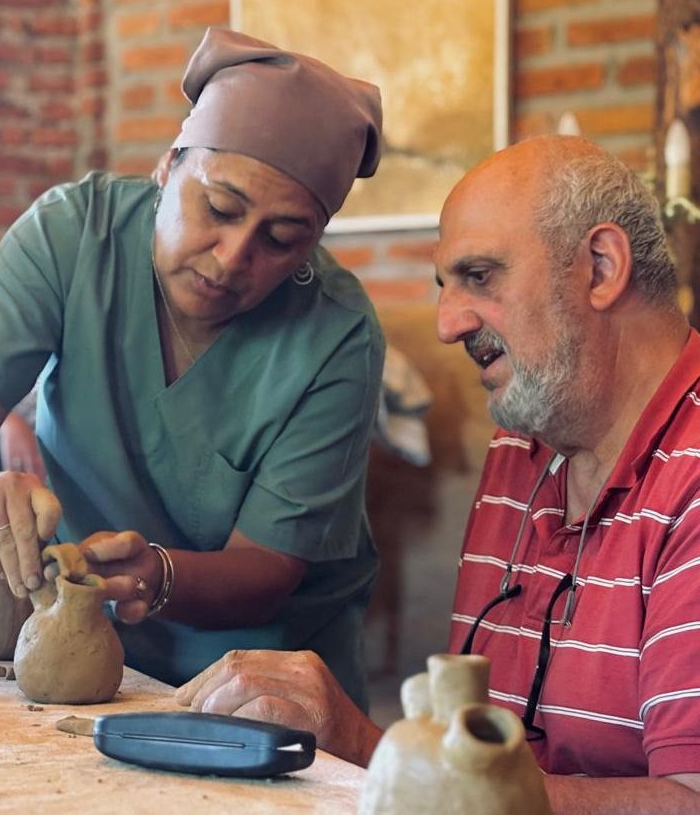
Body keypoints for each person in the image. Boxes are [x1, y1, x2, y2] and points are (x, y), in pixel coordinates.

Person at [177, 135, 700, 811]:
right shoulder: (526, 446)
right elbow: (477, 753)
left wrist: (368, 746)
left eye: (479, 277)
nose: (449, 324)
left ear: (600, 267)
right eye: (444, 287)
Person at [0, 26, 385, 708]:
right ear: (168, 164)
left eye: (281, 239)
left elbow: (269, 566)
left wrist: (156, 575)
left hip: (256, 670)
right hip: (80, 634)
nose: (232, 257)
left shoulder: (337, 334)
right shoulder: (73, 236)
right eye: (218, 208)